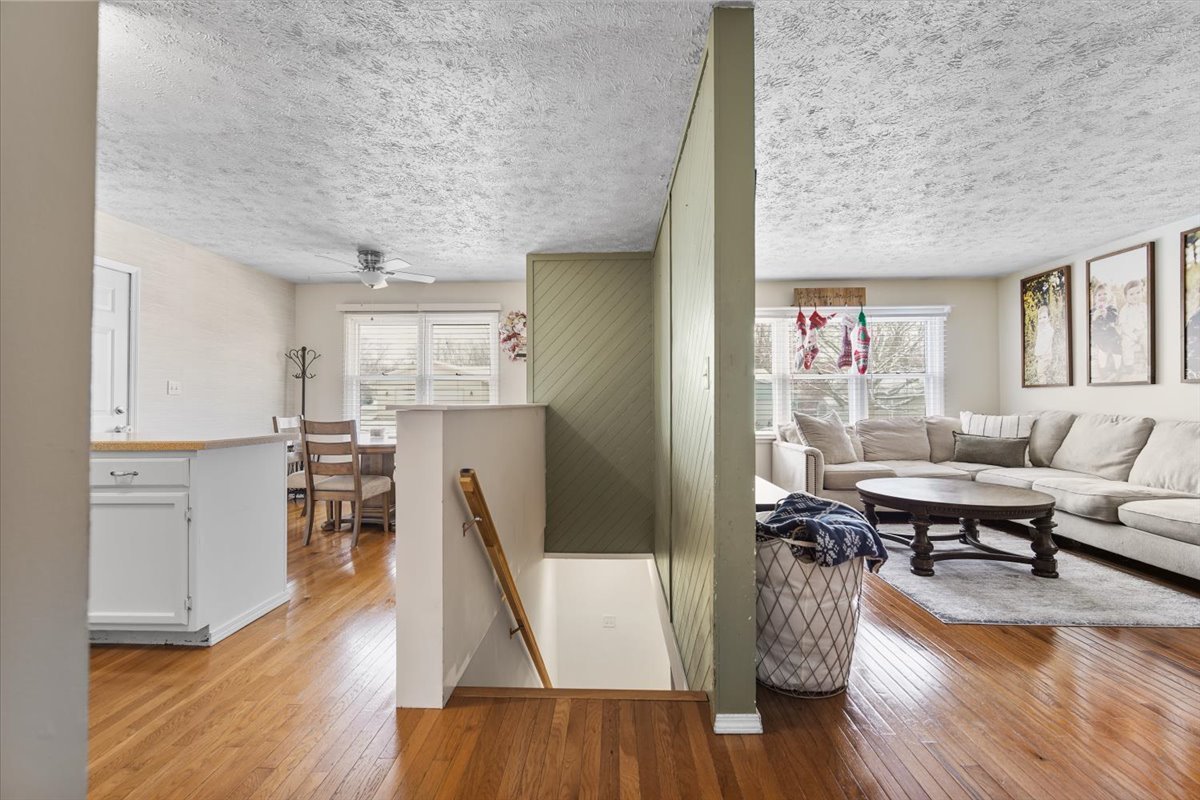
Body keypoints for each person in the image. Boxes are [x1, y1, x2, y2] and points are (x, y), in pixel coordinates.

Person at [1090, 283, 1121, 379]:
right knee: (1102, 350)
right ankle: (1103, 369)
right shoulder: (1093, 310)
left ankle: (1118, 368)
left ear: (1110, 296)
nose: (1102, 296)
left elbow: (1114, 318)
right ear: (1095, 298)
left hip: (1110, 333)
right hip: (1099, 334)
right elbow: (1089, 322)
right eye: (1099, 295)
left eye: (1105, 294)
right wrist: (1095, 316)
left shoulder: (1111, 308)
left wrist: (1105, 313)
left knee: (1117, 348)